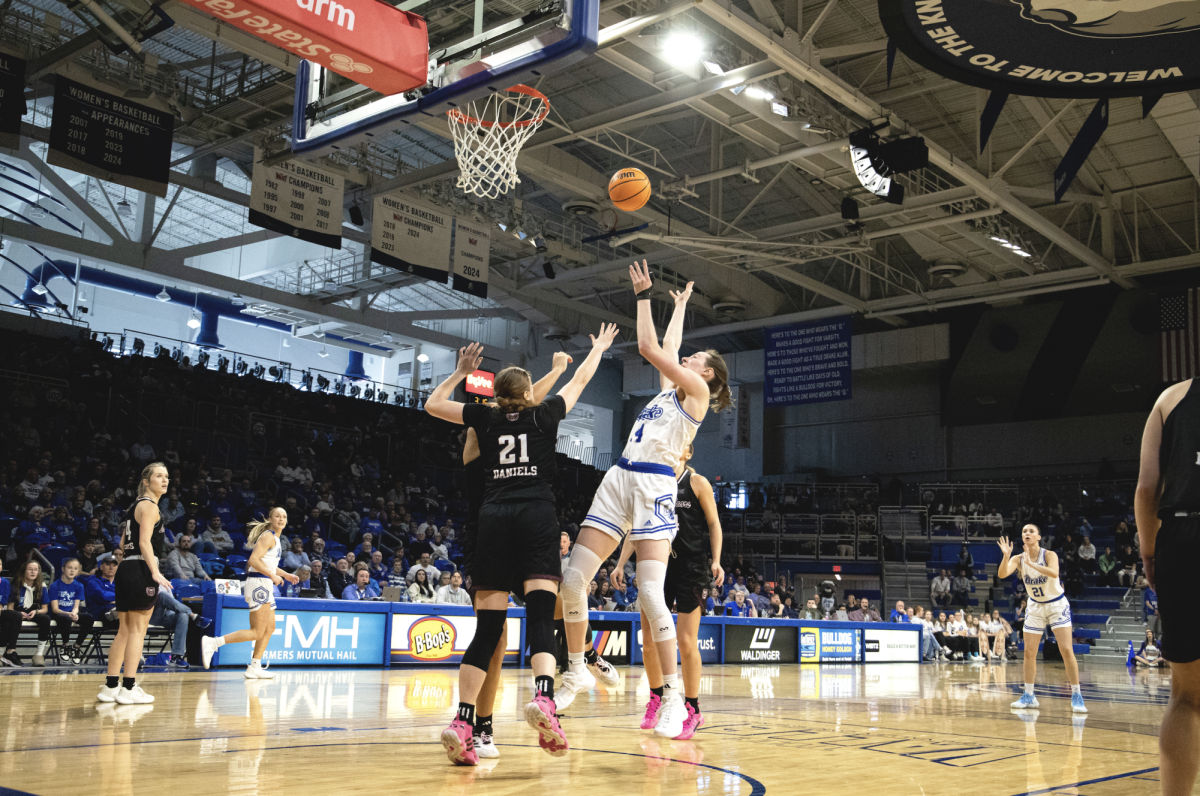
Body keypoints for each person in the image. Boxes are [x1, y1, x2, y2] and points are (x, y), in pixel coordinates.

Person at [426, 321, 616, 766]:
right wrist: (598, 349)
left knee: (488, 631)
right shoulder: (543, 415)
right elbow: (580, 380)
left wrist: (458, 372)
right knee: (540, 616)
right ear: (530, 393)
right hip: (534, 517)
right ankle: (546, 696)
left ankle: (463, 719)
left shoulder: (485, 418)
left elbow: (434, 405)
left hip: (491, 522)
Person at [558, 266, 731, 742]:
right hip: (619, 476)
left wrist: (644, 297)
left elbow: (651, 350)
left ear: (707, 374)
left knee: (650, 595)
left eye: (696, 358)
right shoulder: (667, 392)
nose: (687, 358)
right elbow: (669, 352)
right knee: (573, 582)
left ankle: (673, 695)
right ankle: (576, 669)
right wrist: (676, 307)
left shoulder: (694, 393)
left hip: (654, 485)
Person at [615, 442, 724, 739]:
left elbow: (714, 524)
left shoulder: (696, 482)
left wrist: (716, 560)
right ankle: (657, 699)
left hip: (692, 569)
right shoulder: (653, 483)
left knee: (686, 641)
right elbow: (636, 529)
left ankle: (693, 709)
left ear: (687, 452)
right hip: (657, 566)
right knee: (648, 640)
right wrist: (620, 564)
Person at [1133, 376, 1200, 796]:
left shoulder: (1170, 399)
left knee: (1187, 696)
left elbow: (1145, 490)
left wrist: (1149, 550)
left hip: (1182, 539)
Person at [98, 462, 174, 705]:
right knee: (138, 631)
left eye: (167, 477)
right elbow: (144, 543)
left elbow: (122, 545)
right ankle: (128, 689)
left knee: (124, 630)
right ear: (146, 481)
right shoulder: (151, 507)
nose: (165, 480)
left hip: (126, 568)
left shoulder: (135, 507)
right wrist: (155, 571)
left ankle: (111, 687)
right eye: (159, 476)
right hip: (141, 568)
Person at [201, 507, 299, 678]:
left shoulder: (275, 538)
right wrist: (272, 575)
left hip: (265, 582)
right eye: (277, 516)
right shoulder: (268, 536)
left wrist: (285, 575)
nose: (281, 519)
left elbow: (268, 563)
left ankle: (255, 666)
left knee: (270, 627)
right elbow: (253, 560)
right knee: (257, 631)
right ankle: (213, 643)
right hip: (258, 583)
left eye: (284, 516)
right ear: (270, 519)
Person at [999, 525, 1087, 713]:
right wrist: (1006, 555)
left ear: (1038, 536)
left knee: (1066, 650)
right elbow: (1002, 574)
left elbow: (1054, 573)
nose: (1027, 533)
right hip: (1035, 606)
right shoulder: (1018, 558)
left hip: (1056, 605)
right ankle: (1029, 695)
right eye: (1024, 531)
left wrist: (1031, 565)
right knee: (1029, 652)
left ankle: (1077, 694)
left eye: (1031, 531)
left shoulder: (1049, 555)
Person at [4, 560, 51, 667]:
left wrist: (36, 611)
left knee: (45, 619)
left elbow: (45, 609)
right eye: (30, 569)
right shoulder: (16, 585)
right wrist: (19, 613)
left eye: (36, 570)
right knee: (10, 621)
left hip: (32, 613)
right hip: (17, 614)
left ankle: (39, 654)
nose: (33, 572)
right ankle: (8, 652)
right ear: (24, 571)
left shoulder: (42, 587)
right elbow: (10, 608)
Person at [49, 558, 94, 665]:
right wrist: (69, 614)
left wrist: (74, 613)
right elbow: (55, 609)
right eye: (69, 568)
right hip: (59, 613)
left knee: (89, 618)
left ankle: (77, 647)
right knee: (66, 618)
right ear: (63, 569)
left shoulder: (79, 586)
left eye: (75, 569)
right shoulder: (55, 585)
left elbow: (76, 606)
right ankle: (65, 646)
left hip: (71, 612)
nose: (72, 571)